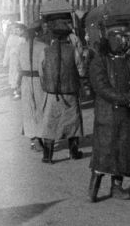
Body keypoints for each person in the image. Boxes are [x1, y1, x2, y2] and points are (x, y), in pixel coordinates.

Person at [85, 17, 130, 201]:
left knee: (123, 151)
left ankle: (117, 187)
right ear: (111, 38)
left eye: (126, 37)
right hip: (107, 115)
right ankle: (94, 187)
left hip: (127, 114)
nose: (125, 41)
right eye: (121, 37)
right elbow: (101, 87)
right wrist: (122, 98)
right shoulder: (99, 62)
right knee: (104, 152)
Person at [25, 11, 86, 162]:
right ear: (67, 36)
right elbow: (82, 71)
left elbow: (41, 71)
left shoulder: (46, 51)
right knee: (73, 122)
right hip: (70, 92)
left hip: (51, 93)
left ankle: (48, 156)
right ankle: (73, 152)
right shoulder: (73, 51)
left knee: (50, 123)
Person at [4, 19, 28, 104]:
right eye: (12, 29)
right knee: (12, 74)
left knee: (18, 74)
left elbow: (24, 49)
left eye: (16, 29)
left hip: (19, 58)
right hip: (12, 59)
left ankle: (18, 91)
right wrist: (5, 61)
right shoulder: (10, 38)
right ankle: (14, 90)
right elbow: (7, 49)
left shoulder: (22, 38)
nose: (14, 31)